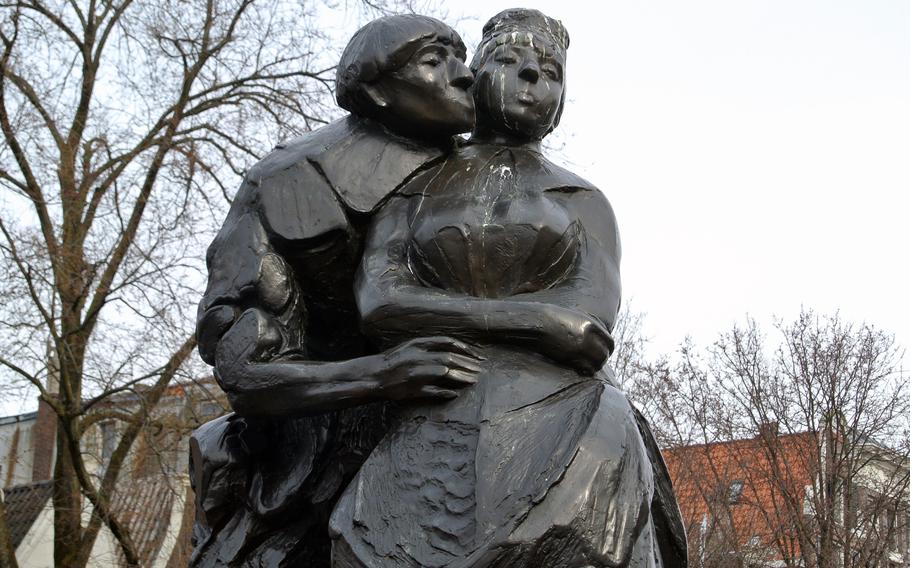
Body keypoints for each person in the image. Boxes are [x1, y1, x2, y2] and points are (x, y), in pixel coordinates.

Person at [330, 9, 687, 567]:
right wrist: (536, 322)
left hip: (563, 406)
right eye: (509, 60)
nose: (532, 77)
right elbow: (380, 303)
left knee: (588, 496)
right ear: (473, 73)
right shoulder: (413, 186)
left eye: (550, 70)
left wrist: (449, 313)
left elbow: (589, 329)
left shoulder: (581, 200)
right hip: (430, 395)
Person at [190, 15, 481, 567]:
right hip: (321, 455)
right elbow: (245, 374)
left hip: (474, 419)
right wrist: (383, 375)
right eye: (433, 60)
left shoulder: (493, 176)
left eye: (461, 57)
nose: (464, 75)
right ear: (374, 89)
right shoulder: (290, 181)